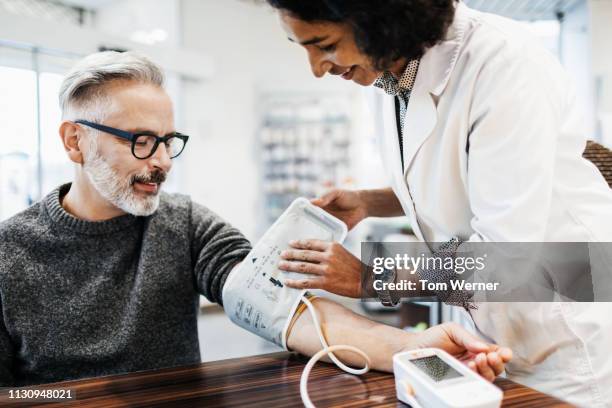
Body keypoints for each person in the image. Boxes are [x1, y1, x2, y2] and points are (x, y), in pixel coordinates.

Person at [0, 51, 510, 387]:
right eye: (141, 141)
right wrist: (67, 401)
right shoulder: (10, 253)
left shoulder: (183, 224)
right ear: (74, 140)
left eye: (168, 141)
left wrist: (408, 344)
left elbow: (280, 308)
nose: (162, 161)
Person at [267, 0, 612, 406]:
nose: (316, 67)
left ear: (380, 19)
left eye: (324, 45)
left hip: (571, 329)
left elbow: (508, 255)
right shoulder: (388, 76)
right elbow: (457, 177)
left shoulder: (503, 65)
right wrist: (369, 202)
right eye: (301, 46)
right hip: (498, 327)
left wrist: (374, 276)